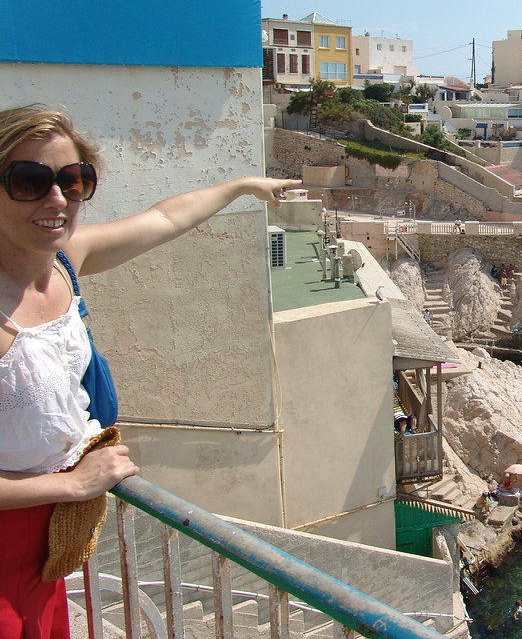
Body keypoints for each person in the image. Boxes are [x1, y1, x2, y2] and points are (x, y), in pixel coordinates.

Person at [0, 104, 300, 639]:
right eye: (29, 182)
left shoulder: (66, 261)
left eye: (73, 180)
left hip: (48, 550)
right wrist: (71, 486)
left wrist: (241, 187)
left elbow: (165, 218)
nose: (57, 199)